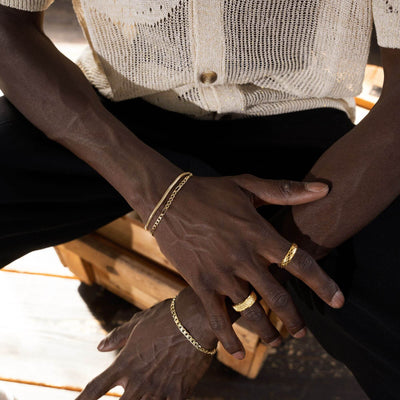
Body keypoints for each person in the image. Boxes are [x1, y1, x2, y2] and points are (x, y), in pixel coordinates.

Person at [0, 1, 399, 399]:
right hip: (115, 109)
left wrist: (200, 313)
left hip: (299, 122)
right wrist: (160, 196)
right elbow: (7, 21)